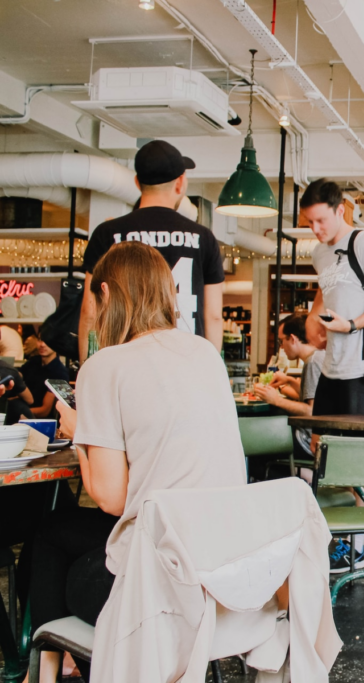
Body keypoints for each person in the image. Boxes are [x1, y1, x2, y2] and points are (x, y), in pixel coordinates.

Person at [28, 242, 245, 683]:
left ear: (105, 294)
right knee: (57, 531)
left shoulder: (105, 366)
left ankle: (52, 666)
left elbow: (110, 497)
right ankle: (54, 667)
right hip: (225, 570)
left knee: (51, 541)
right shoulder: (205, 353)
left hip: (161, 587)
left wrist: (82, 431)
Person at [301, 179, 364, 572]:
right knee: (321, 451)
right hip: (331, 367)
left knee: (358, 460)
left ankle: (356, 548)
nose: (316, 230)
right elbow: (327, 289)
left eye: (321, 221)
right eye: (309, 223)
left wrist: (353, 324)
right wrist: (317, 319)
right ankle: (327, 535)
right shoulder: (318, 253)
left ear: (340, 210)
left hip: (363, 367)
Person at [78, 140, 225, 361]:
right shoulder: (203, 238)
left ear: (137, 182)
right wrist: (211, 371)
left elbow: (90, 312)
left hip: (126, 362)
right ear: (180, 183)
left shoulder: (108, 233)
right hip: (186, 362)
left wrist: (87, 369)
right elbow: (213, 316)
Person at [253, 312, 324, 462]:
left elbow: (312, 412)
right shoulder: (319, 356)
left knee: (255, 443)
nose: (281, 347)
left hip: (308, 441)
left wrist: (276, 400)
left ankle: (302, 475)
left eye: (281, 341)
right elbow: (317, 397)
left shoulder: (312, 363)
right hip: (320, 438)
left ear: (292, 339)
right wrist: (289, 380)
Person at [20, 330, 69, 418]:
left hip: (41, 422)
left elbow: (44, 410)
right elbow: (17, 377)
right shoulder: (33, 362)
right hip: (23, 411)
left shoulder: (60, 372)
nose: (42, 344)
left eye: (48, 341)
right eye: (40, 340)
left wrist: (18, 412)